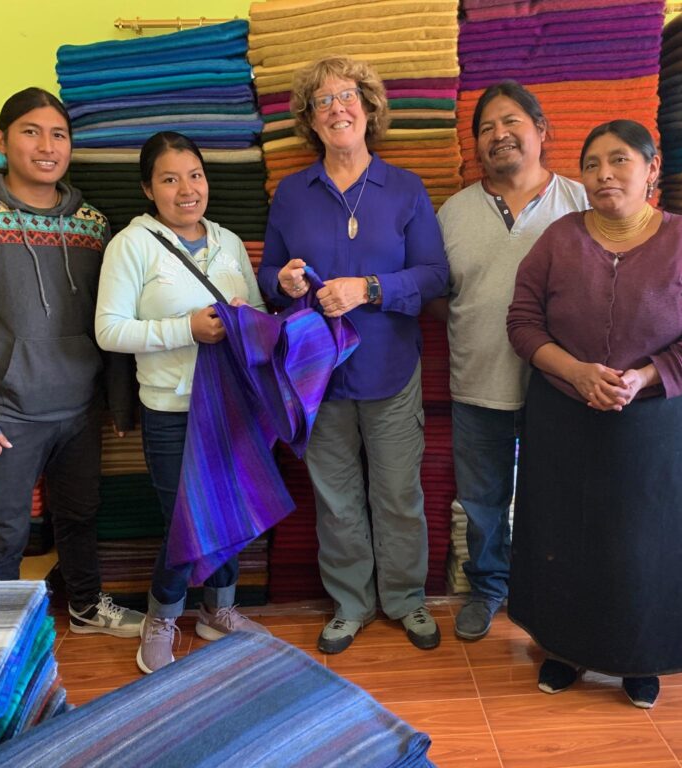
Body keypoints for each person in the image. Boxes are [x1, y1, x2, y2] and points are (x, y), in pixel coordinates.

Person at [505, 120, 682, 708]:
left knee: (646, 542)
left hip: (655, 425)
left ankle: (644, 656)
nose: (604, 174)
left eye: (619, 160)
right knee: (563, 534)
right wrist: (577, 372)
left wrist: (645, 376)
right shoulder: (559, 239)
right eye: (591, 164)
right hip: (564, 416)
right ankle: (563, 649)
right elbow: (523, 322)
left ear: (651, 168)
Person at [0, 87, 143, 637]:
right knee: (1, 531)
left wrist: (115, 401)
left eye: (59, 134)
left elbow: (109, 316)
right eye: (31, 131)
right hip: (4, 413)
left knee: (81, 518)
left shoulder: (92, 222)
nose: (47, 146)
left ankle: (86, 607)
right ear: (1, 141)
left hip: (79, 409)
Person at [258, 56, 449, 654]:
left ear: (368, 110)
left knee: (397, 494)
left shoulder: (406, 188)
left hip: (391, 368)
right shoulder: (292, 194)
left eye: (348, 97)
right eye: (323, 100)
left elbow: (436, 275)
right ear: (311, 121)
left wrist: (368, 289)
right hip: (316, 375)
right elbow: (267, 275)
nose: (337, 107)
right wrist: (282, 283)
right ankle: (350, 603)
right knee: (336, 496)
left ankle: (406, 599)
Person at [95, 131, 270, 674]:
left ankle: (218, 611)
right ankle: (161, 617)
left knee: (229, 513)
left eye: (194, 175)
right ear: (149, 189)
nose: (186, 189)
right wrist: (187, 329)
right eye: (169, 179)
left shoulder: (229, 242)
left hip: (232, 407)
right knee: (183, 521)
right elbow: (108, 330)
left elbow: (261, 319)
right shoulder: (133, 245)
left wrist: (247, 320)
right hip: (172, 410)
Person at [432, 81, 588, 641]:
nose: (499, 134)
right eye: (486, 128)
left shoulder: (580, 202)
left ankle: (554, 592)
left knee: (560, 496)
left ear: (541, 130)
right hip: (477, 381)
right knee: (482, 501)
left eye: (512, 121)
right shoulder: (452, 214)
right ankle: (488, 587)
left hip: (561, 387)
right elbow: (437, 293)